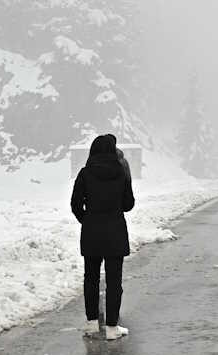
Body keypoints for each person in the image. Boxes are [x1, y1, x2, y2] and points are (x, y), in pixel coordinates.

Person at [71, 134, 136, 340]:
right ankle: (111, 328)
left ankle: (91, 324)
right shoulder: (120, 173)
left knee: (90, 278)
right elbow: (128, 204)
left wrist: (87, 220)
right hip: (115, 232)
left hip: (91, 232)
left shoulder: (85, 173)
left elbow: (75, 204)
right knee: (114, 281)